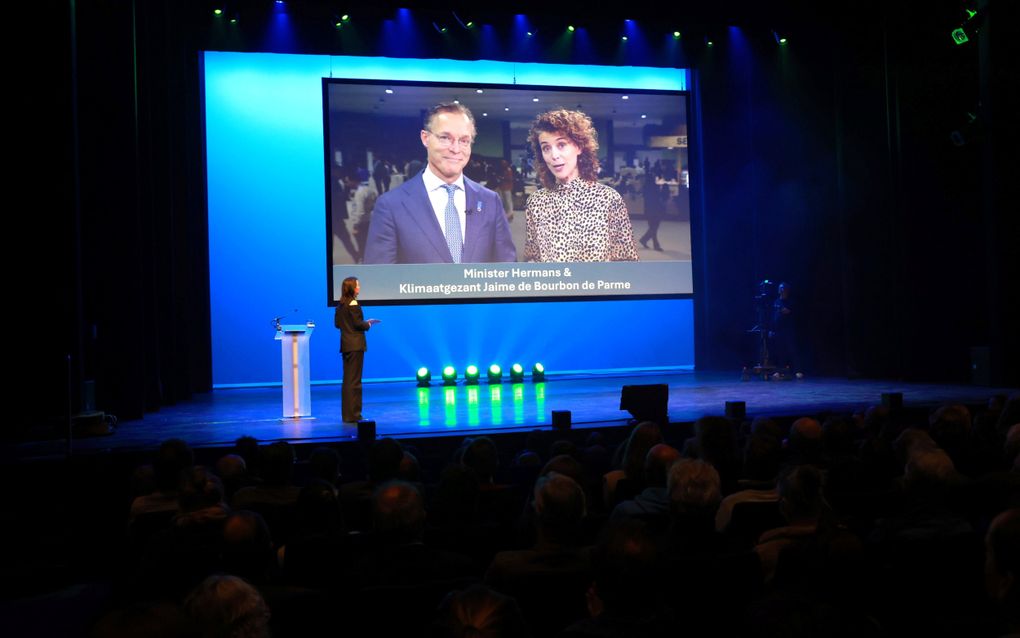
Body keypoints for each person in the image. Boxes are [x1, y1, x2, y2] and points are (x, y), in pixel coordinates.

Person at [362, 103, 517, 264]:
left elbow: (507, 270)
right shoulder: (391, 206)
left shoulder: (490, 201)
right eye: (445, 138)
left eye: (464, 141)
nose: (456, 149)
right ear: (425, 138)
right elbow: (379, 282)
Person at [524, 109, 638, 262]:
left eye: (561, 144)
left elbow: (627, 261)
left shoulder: (608, 199)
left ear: (579, 147)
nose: (554, 155)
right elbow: (532, 259)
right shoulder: (536, 202)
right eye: (546, 148)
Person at [334, 277, 379, 423]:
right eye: (357, 286)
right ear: (352, 288)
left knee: (348, 381)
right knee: (355, 382)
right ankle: (354, 415)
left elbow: (337, 324)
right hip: (355, 345)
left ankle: (347, 415)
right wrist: (369, 324)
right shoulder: (353, 304)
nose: (359, 288)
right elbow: (358, 324)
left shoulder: (340, 305)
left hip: (346, 345)